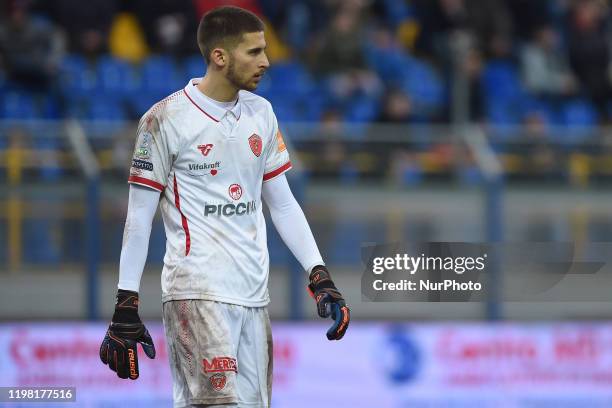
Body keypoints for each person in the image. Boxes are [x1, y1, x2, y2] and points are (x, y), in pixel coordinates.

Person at [99, 6, 350, 408]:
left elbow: (282, 204)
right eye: (254, 52)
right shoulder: (163, 120)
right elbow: (139, 220)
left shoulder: (261, 113)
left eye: (265, 50)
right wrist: (125, 303)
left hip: (254, 295)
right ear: (220, 56)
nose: (266, 61)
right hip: (196, 291)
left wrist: (318, 274)